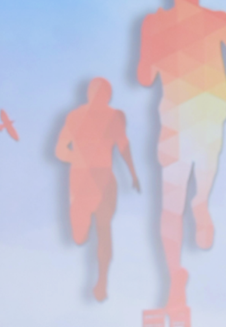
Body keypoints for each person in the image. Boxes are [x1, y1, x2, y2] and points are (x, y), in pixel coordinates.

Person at [137, 0, 226, 308]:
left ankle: (200, 204)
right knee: (174, 198)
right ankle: (175, 274)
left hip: (202, 113)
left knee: (181, 193)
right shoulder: (157, 23)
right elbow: (145, 75)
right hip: (183, 115)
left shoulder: (212, 20)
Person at [55, 77, 140, 302]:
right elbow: (60, 150)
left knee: (103, 230)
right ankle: (84, 236)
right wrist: (79, 158)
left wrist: (133, 173)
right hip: (84, 180)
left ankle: (101, 281)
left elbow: (123, 146)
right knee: (81, 236)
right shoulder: (75, 117)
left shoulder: (113, 117)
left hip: (102, 180)